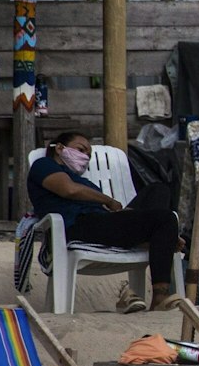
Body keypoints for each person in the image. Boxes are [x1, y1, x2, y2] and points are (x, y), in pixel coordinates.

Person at [26, 131, 184, 312]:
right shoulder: (44, 165)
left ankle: (156, 236)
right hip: (78, 225)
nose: (85, 155)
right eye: (81, 149)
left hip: (103, 222)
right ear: (60, 148)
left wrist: (165, 233)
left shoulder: (82, 180)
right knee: (166, 219)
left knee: (159, 190)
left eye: (88, 154)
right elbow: (68, 190)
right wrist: (107, 200)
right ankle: (159, 296)